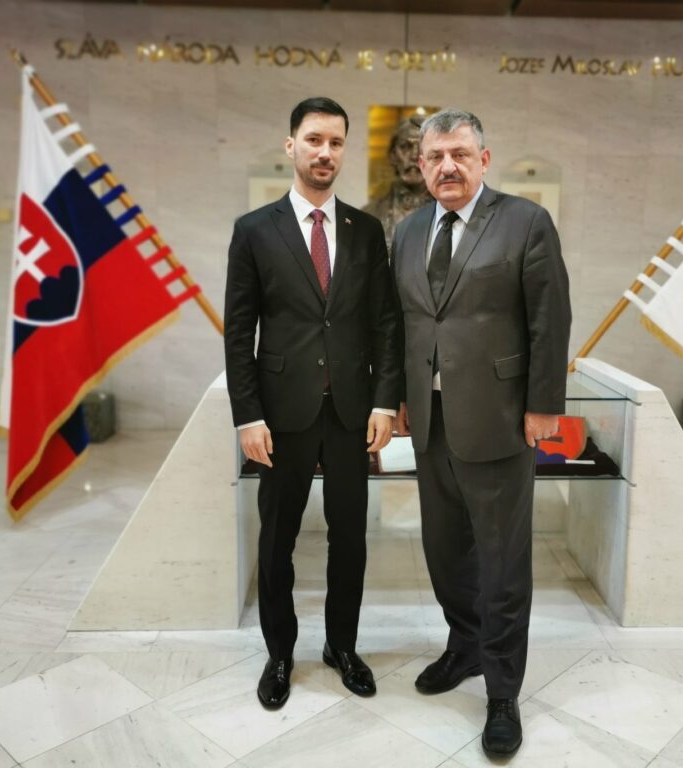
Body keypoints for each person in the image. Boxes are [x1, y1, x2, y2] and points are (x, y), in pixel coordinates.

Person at [391, 108, 570, 757]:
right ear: (421, 166)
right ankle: (464, 645)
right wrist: (398, 397)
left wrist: (544, 405)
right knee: (443, 550)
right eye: (436, 156)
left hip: (499, 419)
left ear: (484, 160)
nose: (448, 166)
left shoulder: (525, 222)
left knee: (501, 562)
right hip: (430, 421)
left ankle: (501, 692)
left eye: (460, 155)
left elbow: (550, 316)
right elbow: (402, 323)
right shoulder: (408, 231)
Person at [224, 96, 400, 710]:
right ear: (291, 145)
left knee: (350, 538)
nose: (326, 152)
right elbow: (238, 331)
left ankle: (342, 647)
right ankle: (280, 653)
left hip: (351, 414)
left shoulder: (365, 231)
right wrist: (248, 415)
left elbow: (385, 323)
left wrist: (385, 402)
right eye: (314, 140)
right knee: (278, 538)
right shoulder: (254, 230)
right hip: (280, 416)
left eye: (336, 142)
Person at [362, 115, 433, 248]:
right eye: (405, 147)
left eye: (422, 148)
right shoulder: (368, 215)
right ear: (392, 155)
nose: (414, 156)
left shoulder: (452, 213)